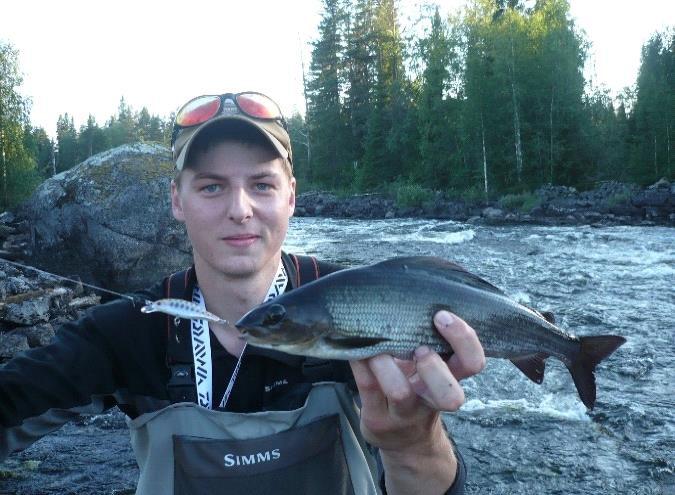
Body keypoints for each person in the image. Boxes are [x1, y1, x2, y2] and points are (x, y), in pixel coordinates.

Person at [0, 91, 485, 494]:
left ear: (291, 196)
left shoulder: (368, 306)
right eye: (212, 187)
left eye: (261, 184)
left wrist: (413, 443)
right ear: (176, 200)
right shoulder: (127, 331)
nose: (240, 209)